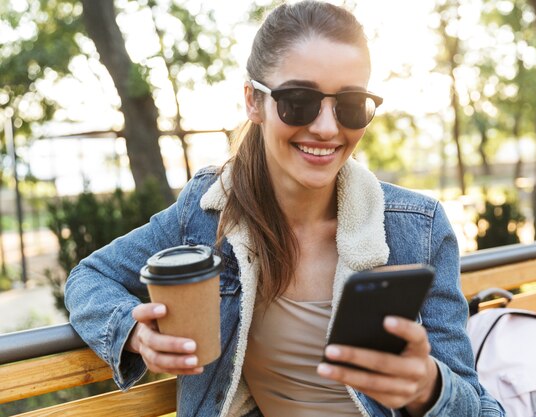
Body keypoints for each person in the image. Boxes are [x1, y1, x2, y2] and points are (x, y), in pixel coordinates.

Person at [65, 1, 505, 416]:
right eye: (299, 101)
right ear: (253, 101)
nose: (327, 128)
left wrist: (428, 387)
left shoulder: (419, 228)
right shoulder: (207, 213)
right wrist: (136, 333)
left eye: (350, 105)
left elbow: (481, 407)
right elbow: (89, 276)